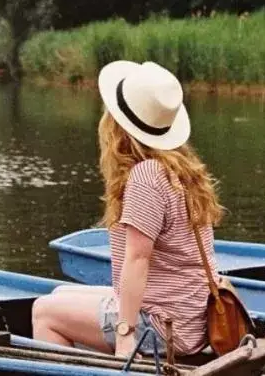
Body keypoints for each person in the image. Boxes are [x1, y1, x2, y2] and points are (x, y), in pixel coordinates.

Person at [31, 60, 224, 359]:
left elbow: (137, 260)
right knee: (59, 295)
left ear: (117, 124)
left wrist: (125, 335)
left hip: (165, 326)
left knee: (43, 312)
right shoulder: (181, 168)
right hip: (192, 318)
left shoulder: (147, 176)